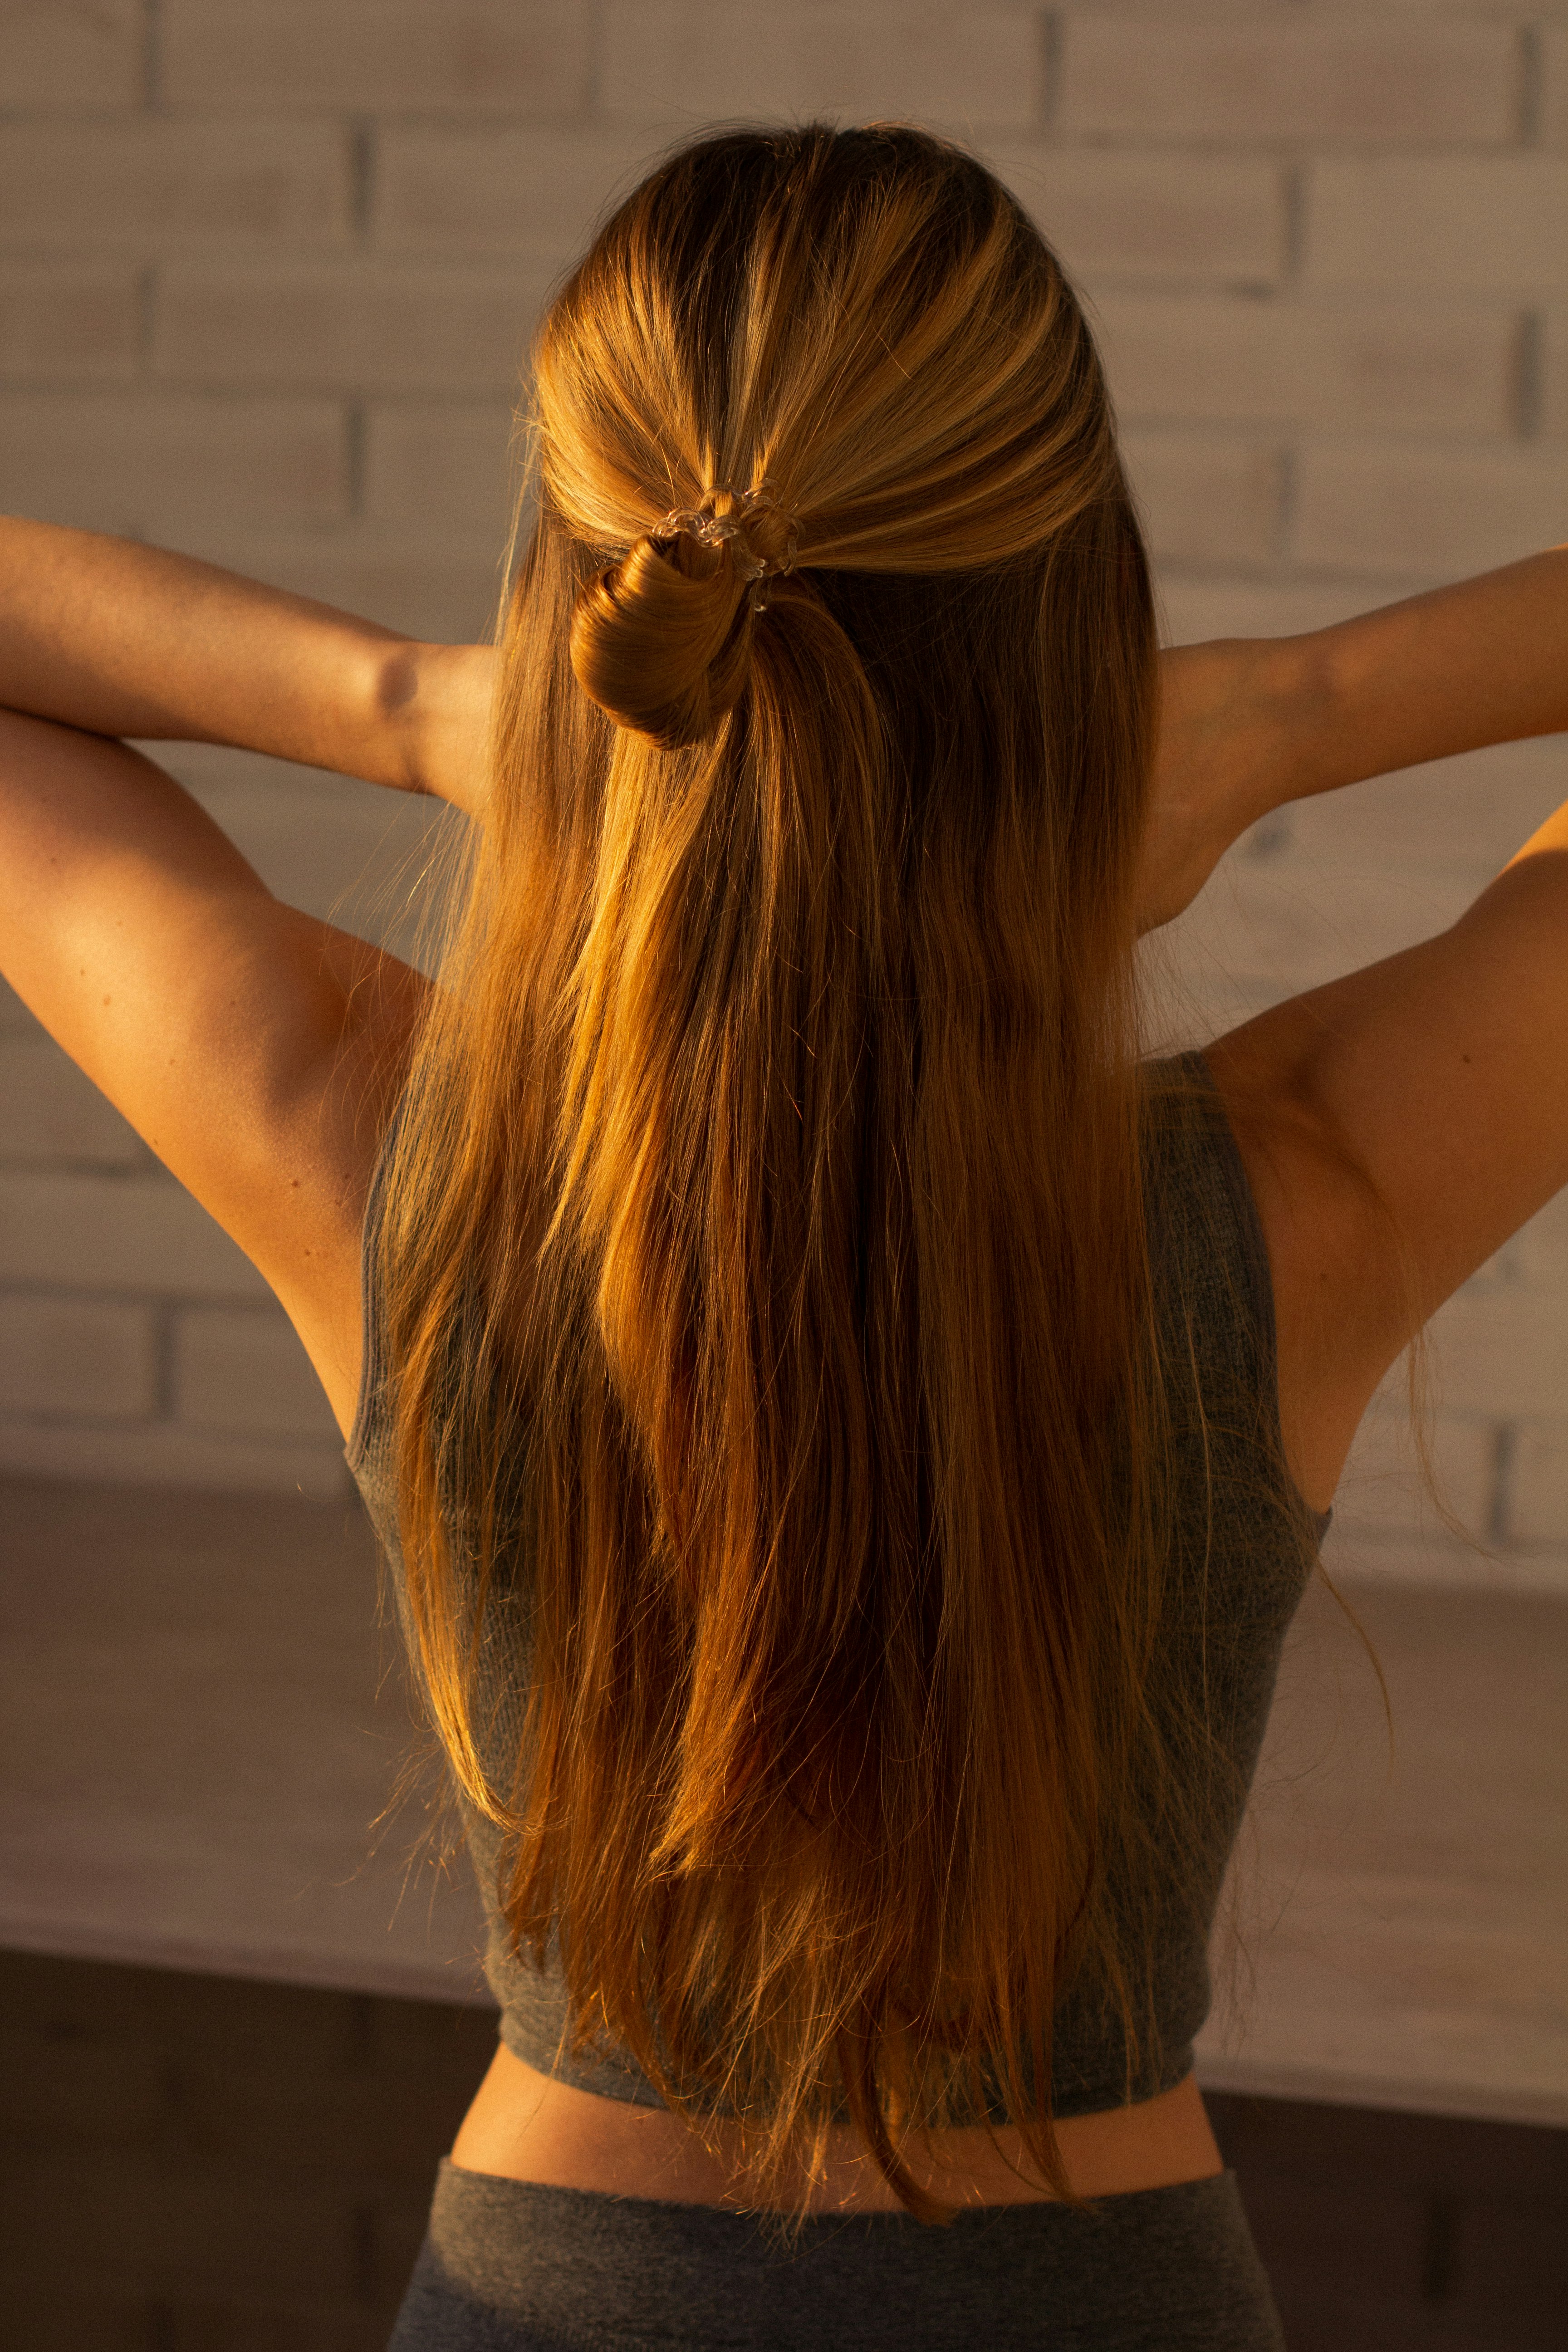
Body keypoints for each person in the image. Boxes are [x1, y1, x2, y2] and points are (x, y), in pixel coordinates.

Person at [1, 122, 1564, 2351]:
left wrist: (429, 711)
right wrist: (1284, 716)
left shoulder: (382, 1153)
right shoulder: (1312, 1186)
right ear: (1080, 628)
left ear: (589, 596)